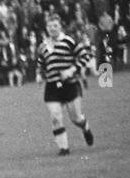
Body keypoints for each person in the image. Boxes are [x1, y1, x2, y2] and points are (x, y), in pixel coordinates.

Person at [36, 13, 95, 156]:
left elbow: (85, 56)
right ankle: (64, 149)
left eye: (55, 26)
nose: (52, 29)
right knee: (55, 117)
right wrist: (39, 74)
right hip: (52, 86)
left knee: (76, 118)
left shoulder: (68, 41)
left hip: (70, 84)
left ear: (60, 26)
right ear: (46, 28)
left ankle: (85, 127)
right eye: (49, 26)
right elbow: (40, 63)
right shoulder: (43, 45)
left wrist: (72, 69)